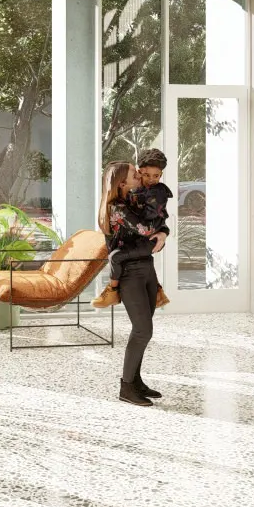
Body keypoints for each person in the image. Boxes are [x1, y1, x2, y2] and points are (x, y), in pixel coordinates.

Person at [93, 159, 165, 407]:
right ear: (122, 182)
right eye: (135, 174)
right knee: (142, 330)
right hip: (131, 275)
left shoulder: (133, 200)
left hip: (147, 269)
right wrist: (156, 235)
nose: (140, 175)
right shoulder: (117, 209)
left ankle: (135, 380)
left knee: (143, 331)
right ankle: (126, 388)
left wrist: (163, 233)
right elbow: (147, 228)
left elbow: (160, 225)